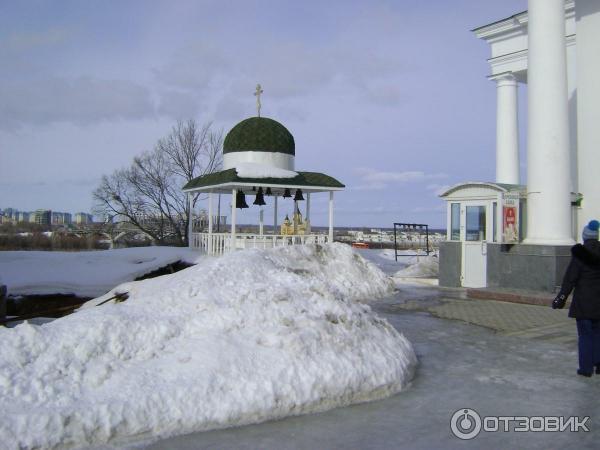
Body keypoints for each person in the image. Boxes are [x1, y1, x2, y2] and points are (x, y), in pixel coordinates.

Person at [553, 220, 600, 377]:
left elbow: (570, 279)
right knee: (598, 334)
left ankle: (586, 369)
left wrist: (561, 298)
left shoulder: (580, 255)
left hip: (584, 304)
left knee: (585, 336)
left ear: (585, 237)